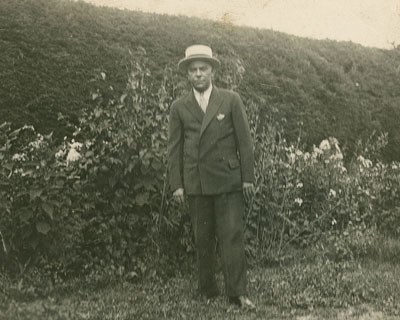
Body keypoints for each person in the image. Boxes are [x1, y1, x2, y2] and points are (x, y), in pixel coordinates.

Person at [167, 44, 255, 309]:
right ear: (187, 75)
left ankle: (237, 292)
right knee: (202, 238)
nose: (198, 74)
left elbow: (245, 142)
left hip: (227, 180)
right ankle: (207, 289)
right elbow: (175, 148)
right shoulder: (179, 107)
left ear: (212, 71)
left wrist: (247, 177)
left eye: (203, 69)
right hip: (197, 183)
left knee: (231, 236)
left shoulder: (230, 100)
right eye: (192, 70)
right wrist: (177, 185)